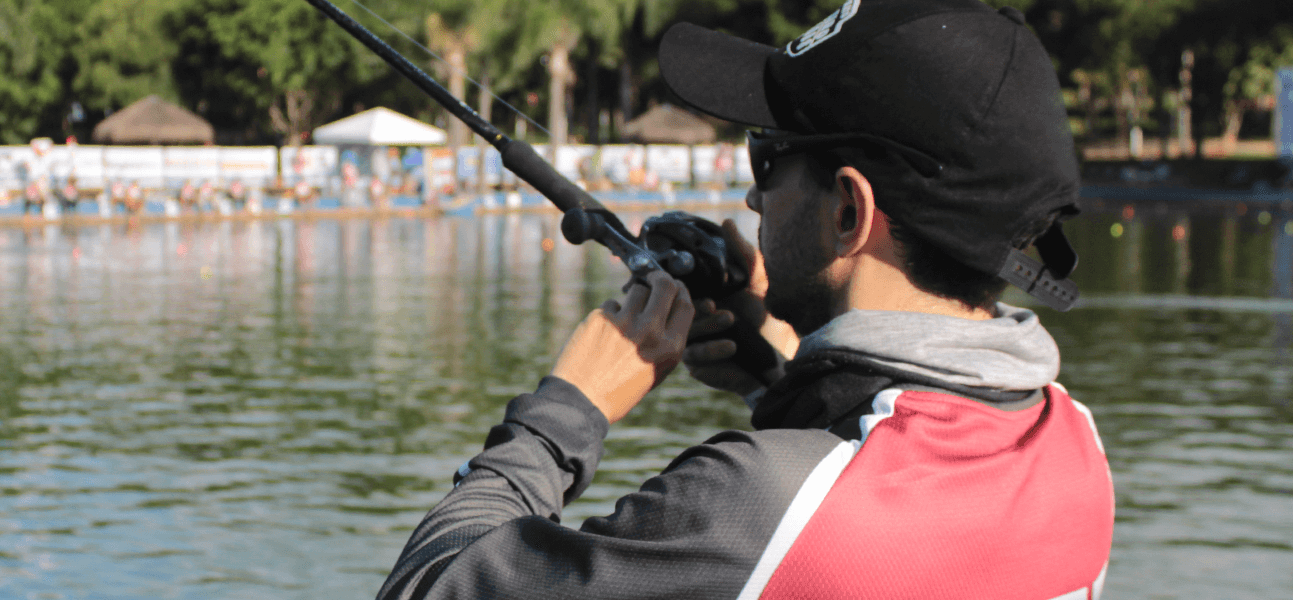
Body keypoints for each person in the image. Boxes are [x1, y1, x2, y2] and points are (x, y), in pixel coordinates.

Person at [376, 1, 1112, 598]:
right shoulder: (1076, 451)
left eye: (770, 156)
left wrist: (566, 412)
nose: (754, 194)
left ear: (850, 212)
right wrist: (791, 378)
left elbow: (429, 588)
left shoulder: (752, 501)